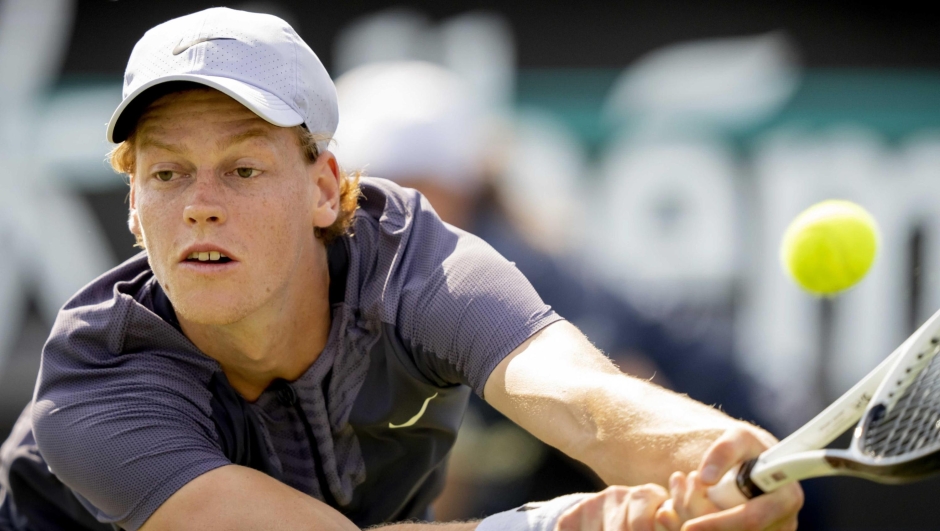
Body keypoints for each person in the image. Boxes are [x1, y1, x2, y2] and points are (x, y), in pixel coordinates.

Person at [0, 8, 801, 531]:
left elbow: (586, 404)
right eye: (167, 174)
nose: (201, 205)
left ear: (323, 187)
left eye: (242, 170)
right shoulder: (94, 386)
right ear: (134, 204)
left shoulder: (421, 264)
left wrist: (712, 453)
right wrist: (585, 523)